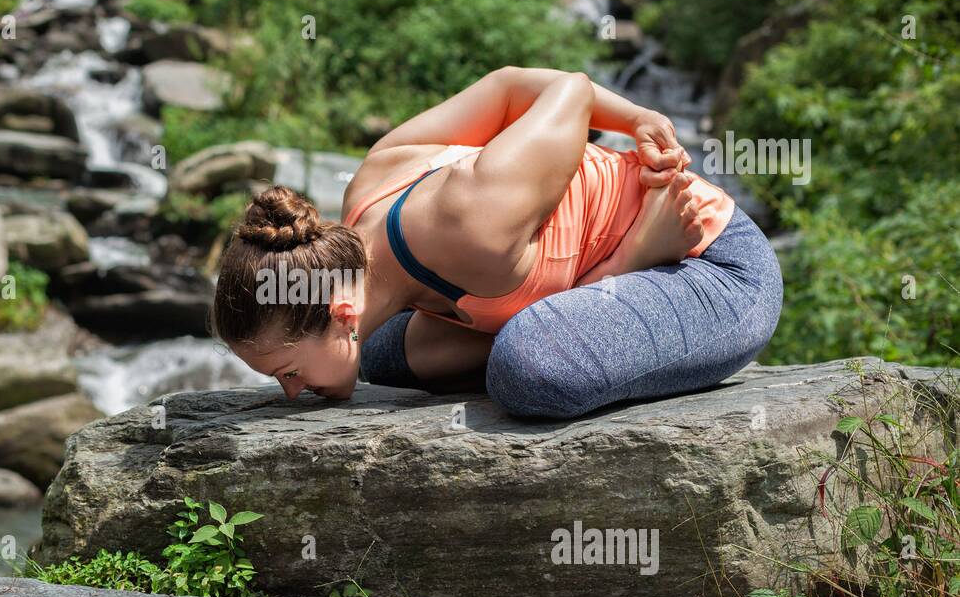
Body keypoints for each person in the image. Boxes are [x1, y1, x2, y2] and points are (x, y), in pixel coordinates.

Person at [210, 66, 783, 418]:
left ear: (340, 310)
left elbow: (569, 91)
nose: (292, 394)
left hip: (702, 262)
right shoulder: (364, 195)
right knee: (380, 359)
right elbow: (508, 89)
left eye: (287, 372)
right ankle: (539, 316)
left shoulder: (470, 218)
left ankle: (605, 278)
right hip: (586, 268)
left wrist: (637, 133)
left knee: (530, 371)